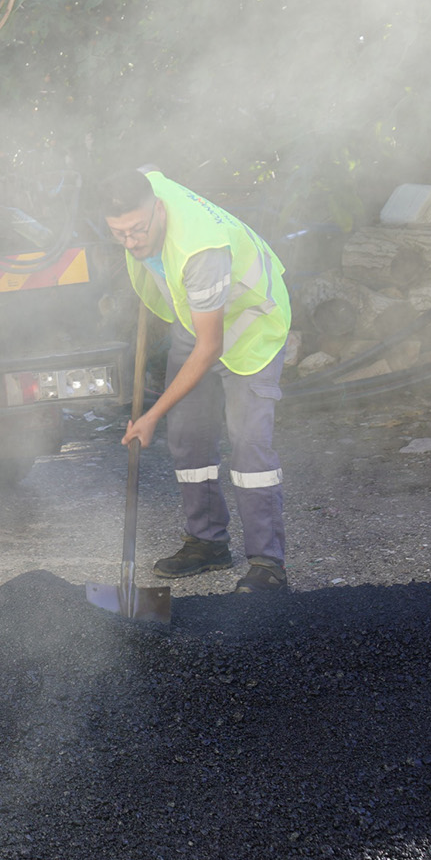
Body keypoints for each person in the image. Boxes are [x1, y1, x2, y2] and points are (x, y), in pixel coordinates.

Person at [100, 168, 292, 593]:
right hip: (197, 316)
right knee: (188, 435)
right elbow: (145, 171)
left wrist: (151, 415)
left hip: (249, 325)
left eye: (137, 230)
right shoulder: (145, 187)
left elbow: (210, 346)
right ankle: (207, 543)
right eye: (119, 234)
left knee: (249, 443)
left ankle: (267, 563)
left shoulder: (201, 250)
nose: (131, 242)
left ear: (159, 210)